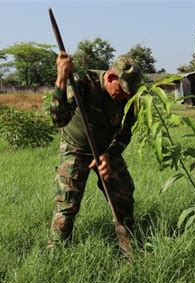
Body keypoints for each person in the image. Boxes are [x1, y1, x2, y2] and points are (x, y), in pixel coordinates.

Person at [47, 52, 142, 246]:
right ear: (110, 77)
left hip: (106, 149)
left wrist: (108, 155)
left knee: (123, 195)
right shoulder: (83, 82)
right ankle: (56, 251)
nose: (125, 96)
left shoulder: (131, 99)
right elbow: (59, 119)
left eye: (129, 93)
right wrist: (61, 78)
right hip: (75, 148)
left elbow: (125, 134)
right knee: (67, 204)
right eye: (122, 90)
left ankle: (128, 245)